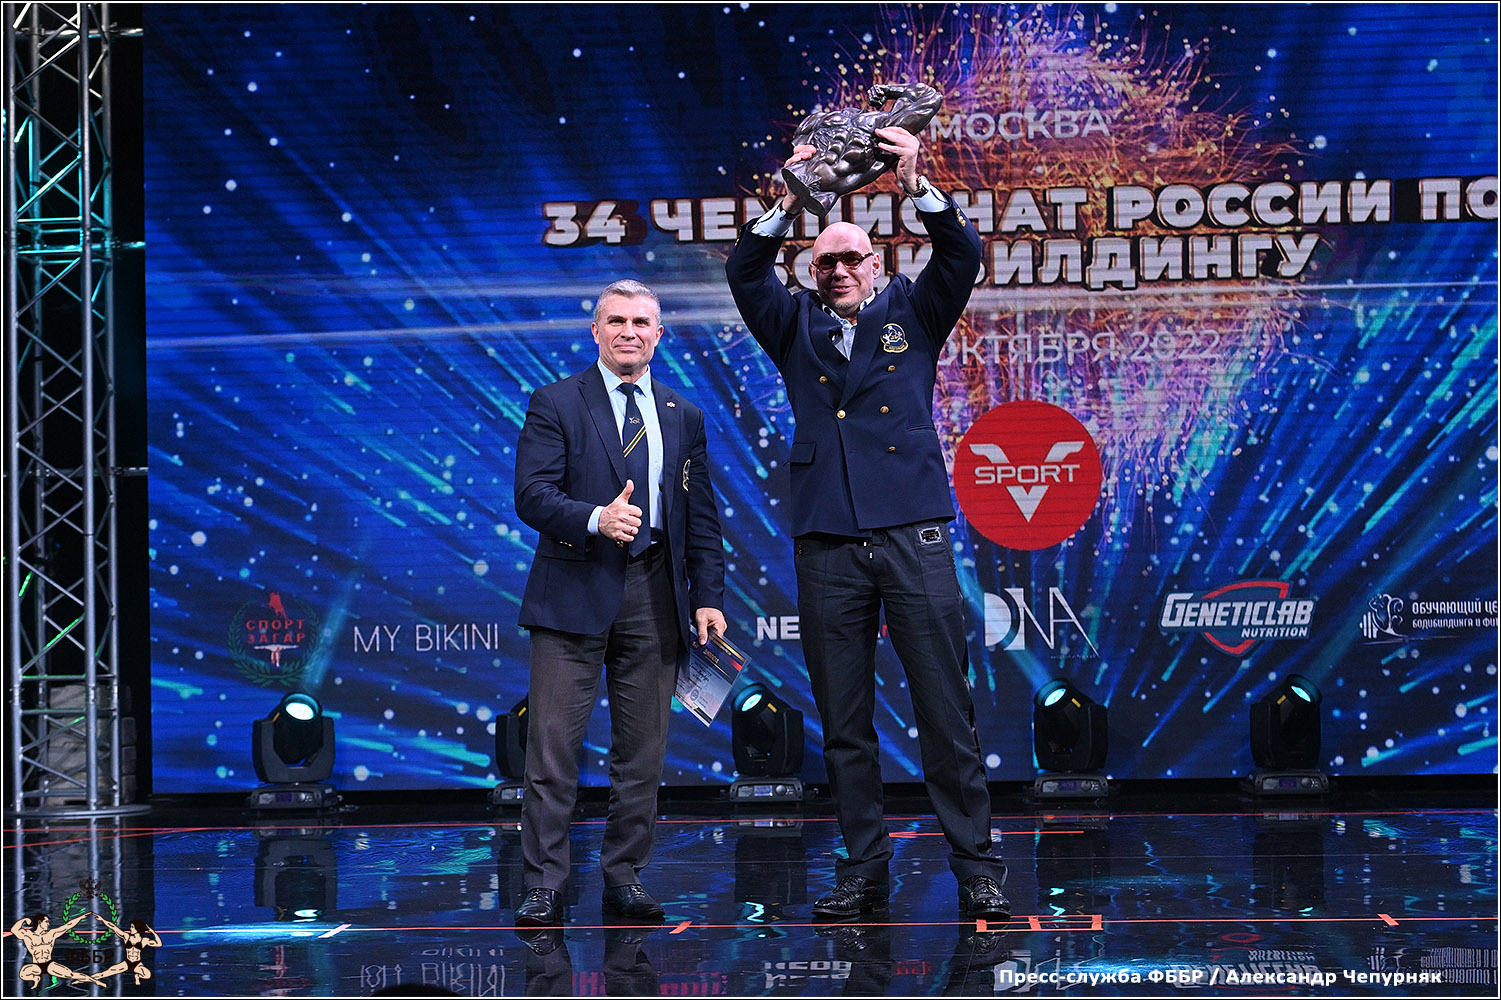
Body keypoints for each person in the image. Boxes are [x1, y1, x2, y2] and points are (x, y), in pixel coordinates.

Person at [725, 127, 1010, 920]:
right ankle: (863, 869)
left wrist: (915, 181)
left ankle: (977, 869)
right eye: (826, 263)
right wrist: (788, 202)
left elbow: (961, 256)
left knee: (945, 712)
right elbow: (744, 270)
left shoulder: (915, 311)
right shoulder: (792, 325)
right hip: (826, 539)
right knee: (844, 722)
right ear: (810, 273)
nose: (841, 270)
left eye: (853, 259)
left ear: (877, 265)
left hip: (912, 531)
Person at [513, 279, 727, 926]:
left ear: (659, 334)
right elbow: (531, 494)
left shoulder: (684, 415)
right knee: (552, 751)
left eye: (640, 322)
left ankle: (625, 876)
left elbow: (700, 516)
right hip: (573, 590)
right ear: (595, 331)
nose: (628, 332)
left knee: (642, 754)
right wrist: (595, 519)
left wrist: (708, 596)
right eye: (616, 321)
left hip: (656, 592)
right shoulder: (555, 402)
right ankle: (545, 884)